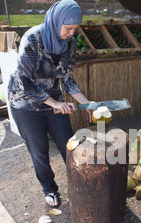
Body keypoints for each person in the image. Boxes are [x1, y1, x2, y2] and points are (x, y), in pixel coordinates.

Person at [7, 0, 92, 208]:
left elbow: (68, 79)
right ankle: (50, 189)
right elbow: (24, 82)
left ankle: (81, 184)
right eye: (68, 28)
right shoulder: (32, 39)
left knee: (69, 145)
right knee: (40, 151)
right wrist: (54, 103)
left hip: (54, 100)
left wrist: (87, 103)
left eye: (75, 29)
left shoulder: (69, 44)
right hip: (24, 104)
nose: (71, 33)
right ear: (56, 22)